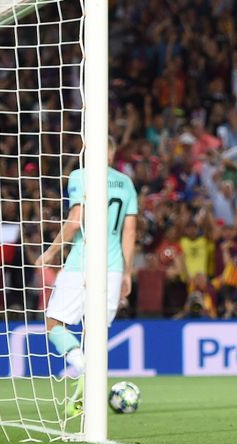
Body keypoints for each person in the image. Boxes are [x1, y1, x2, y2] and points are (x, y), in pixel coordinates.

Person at [34, 138, 138, 416]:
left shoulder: (81, 175)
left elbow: (75, 220)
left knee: (53, 321)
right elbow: (129, 231)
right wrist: (127, 272)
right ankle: (87, 389)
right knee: (95, 332)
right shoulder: (125, 182)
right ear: (112, 153)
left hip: (83, 261)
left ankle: (83, 368)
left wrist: (51, 252)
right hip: (113, 267)